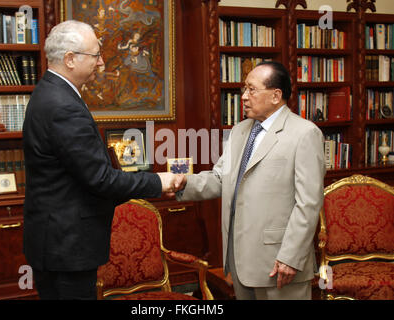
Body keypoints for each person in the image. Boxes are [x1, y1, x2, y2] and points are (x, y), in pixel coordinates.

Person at [22, 20, 182, 300]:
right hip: (67, 245)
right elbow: (100, 179)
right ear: (70, 59)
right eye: (96, 55)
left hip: (56, 240)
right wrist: (159, 181)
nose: (101, 62)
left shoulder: (50, 92)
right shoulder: (62, 105)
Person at [175, 61, 326, 300]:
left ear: (276, 95)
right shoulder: (240, 131)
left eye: (252, 89)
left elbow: (308, 203)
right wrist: (181, 184)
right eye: (244, 89)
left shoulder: (305, 134)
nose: (244, 97)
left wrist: (291, 256)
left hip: (280, 263)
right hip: (240, 262)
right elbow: (220, 179)